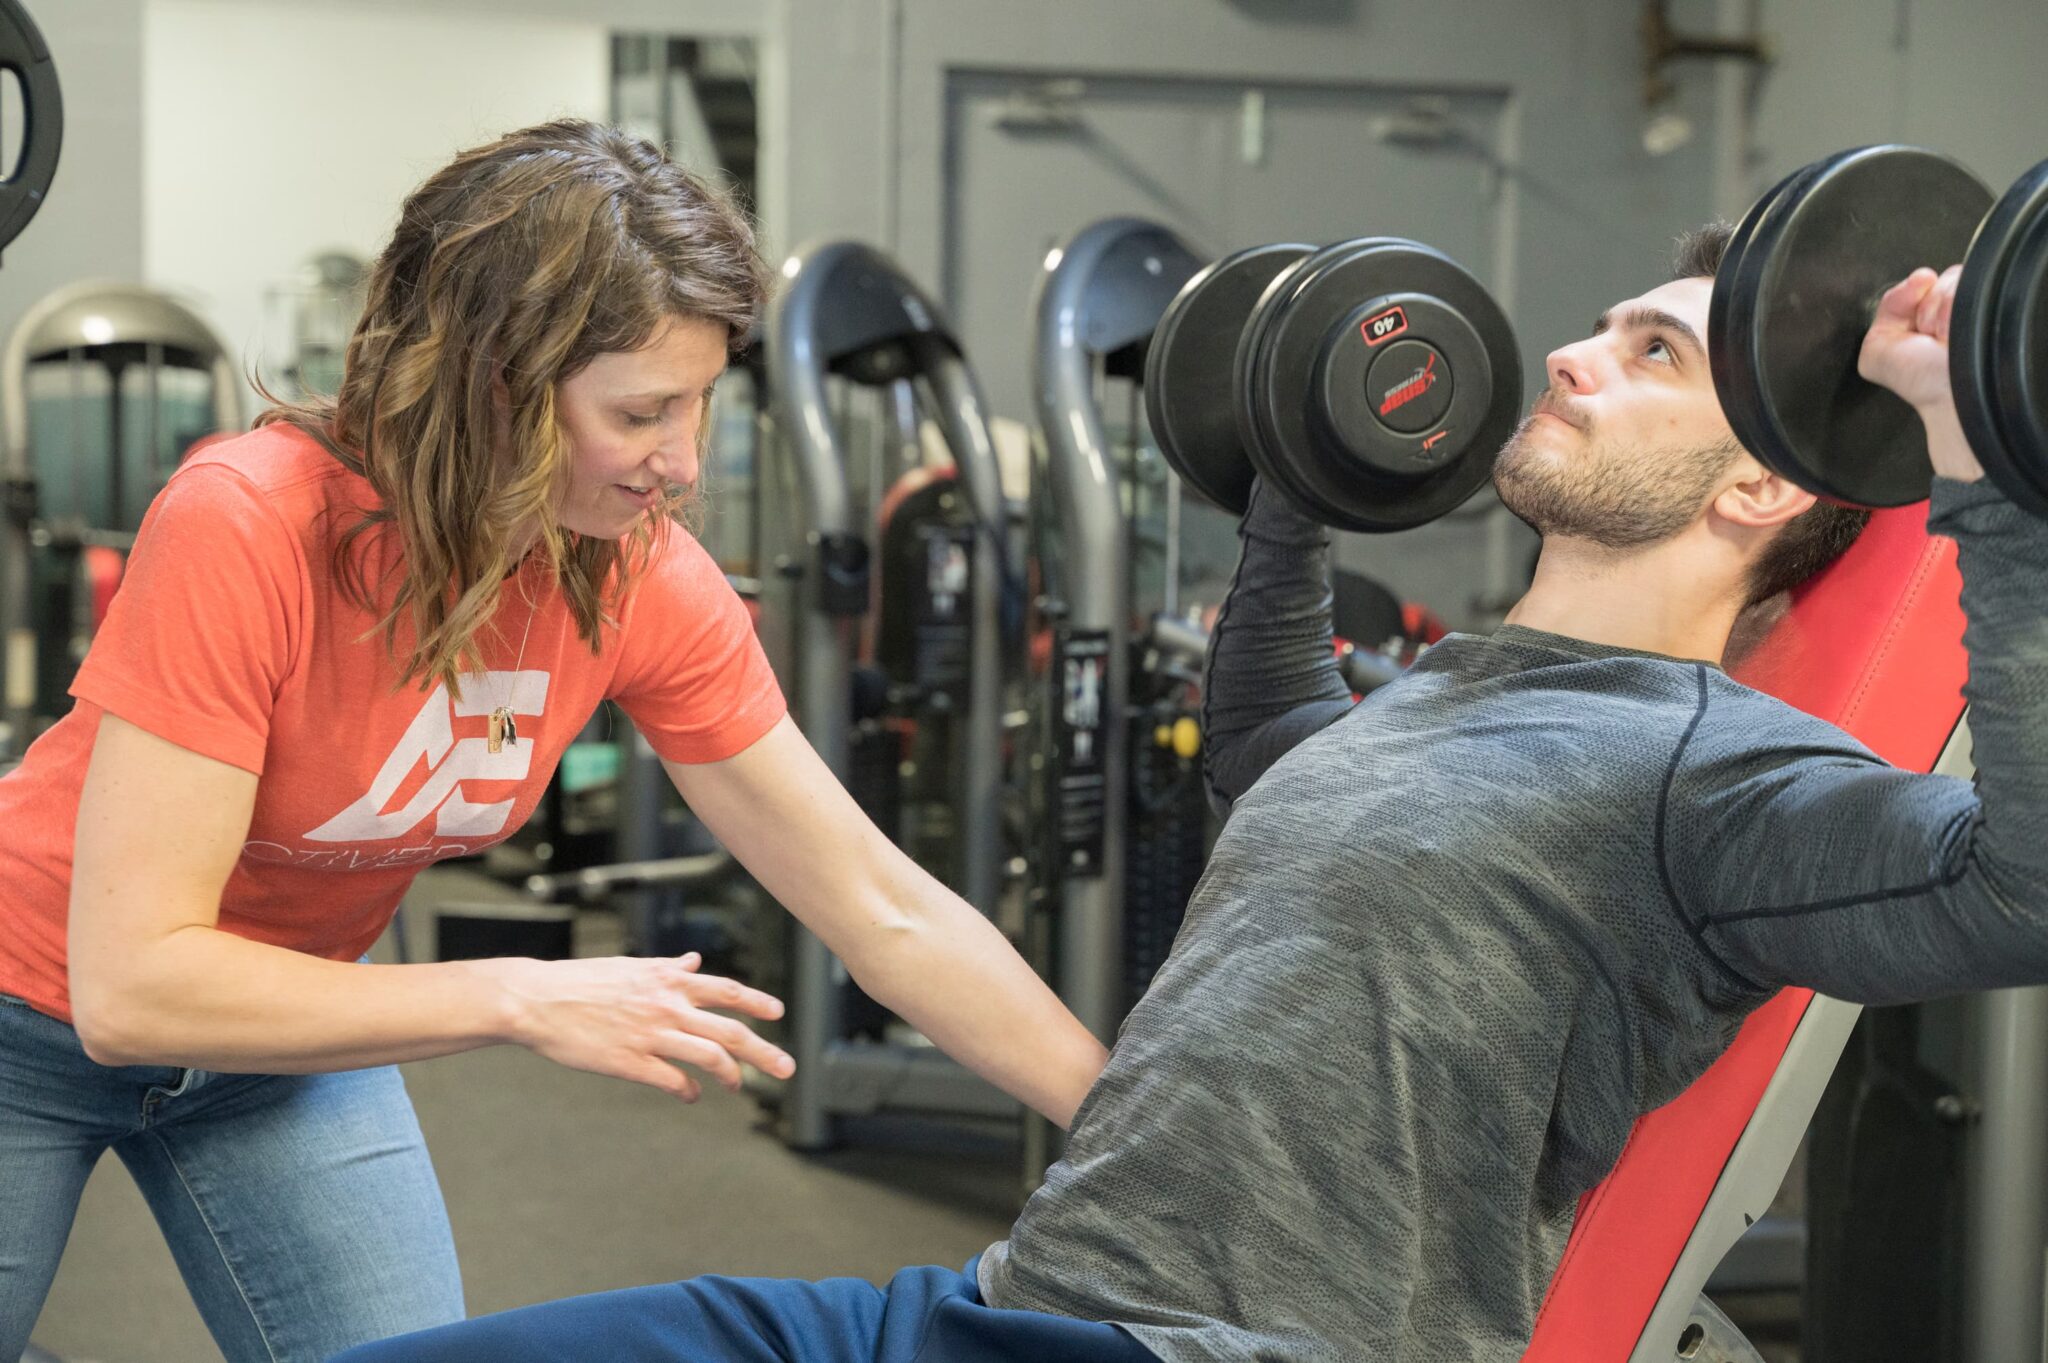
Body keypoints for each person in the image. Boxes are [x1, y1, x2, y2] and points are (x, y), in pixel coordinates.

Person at [330, 226, 2046, 1363]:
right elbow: (1266, 746)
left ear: (1757, 482)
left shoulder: (1718, 775)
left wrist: (1973, 472)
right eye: (1600, 330)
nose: (1575, 357)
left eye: (1650, 355)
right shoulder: (1424, 694)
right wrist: (1291, 477)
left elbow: (2014, 891)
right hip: (997, 1303)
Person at [0, 120, 1110, 1363]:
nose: (681, 464)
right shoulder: (247, 526)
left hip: (281, 1044)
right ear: (492, 386)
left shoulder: (638, 577)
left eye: (698, 406)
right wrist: (521, 996)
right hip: (20, 1019)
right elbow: (133, 987)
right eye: (640, 413)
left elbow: (879, 906)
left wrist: (1132, 1123)